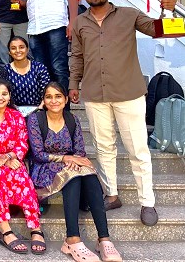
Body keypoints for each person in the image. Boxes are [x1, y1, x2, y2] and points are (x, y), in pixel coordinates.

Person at [69, 0, 177, 227]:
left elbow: (159, 31)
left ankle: (147, 202)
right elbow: (77, 55)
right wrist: (74, 83)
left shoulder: (129, 15)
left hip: (128, 93)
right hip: (95, 93)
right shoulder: (80, 22)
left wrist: (169, 12)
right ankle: (112, 195)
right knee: (103, 147)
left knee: (137, 149)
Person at [28, 83, 122, 262]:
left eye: (58, 96)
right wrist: (66, 159)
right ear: (44, 100)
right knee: (73, 176)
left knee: (88, 173)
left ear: (65, 99)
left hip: (70, 164)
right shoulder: (36, 119)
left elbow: (79, 151)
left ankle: (104, 239)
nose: (53, 101)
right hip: (44, 168)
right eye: (49, 97)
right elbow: (38, 154)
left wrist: (75, 160)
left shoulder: (72, 119)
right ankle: (72, 239)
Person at [0, 79, 45, 255]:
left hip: (11, 159)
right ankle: (5, 229)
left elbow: (23, 143)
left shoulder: (16, 116)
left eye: (4, 94)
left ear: (9, 96)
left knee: (21, 175)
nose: (0, 97)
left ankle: (35, 228)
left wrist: (8, 157)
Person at [4, 36, 50, 107]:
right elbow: (4, 94)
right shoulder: (5, 70)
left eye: (21, 47)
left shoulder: (39, 67)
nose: (18, 50)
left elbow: (47, 92)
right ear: (9, 52)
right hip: (13, 110)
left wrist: (40, 108)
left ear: (27, 49)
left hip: (39, 108)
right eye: (13, 48)